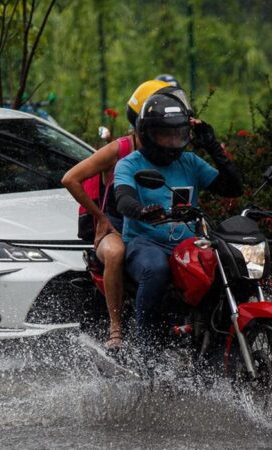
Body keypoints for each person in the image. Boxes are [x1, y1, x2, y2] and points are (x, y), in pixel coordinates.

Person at [114, 91, 242, 348]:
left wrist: (213, 147)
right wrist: (141, 211)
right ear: (148, 133)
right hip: (145, 243)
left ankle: (214, 341)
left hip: (188, 245)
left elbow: (232, 188)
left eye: (179, 134)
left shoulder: (191, 162)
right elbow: (123, 199)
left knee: (225, 268)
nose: (173, 141)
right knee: (156, 269)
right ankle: (146, 348)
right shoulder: (129, 164)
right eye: (166, 134)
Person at [61, 79, 175, 350]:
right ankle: (116, 328)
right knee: (114, 254)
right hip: (116, 225)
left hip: (155, 225)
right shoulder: (120, 149)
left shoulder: (172, 150)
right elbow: (70, 178)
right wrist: (99, 217)